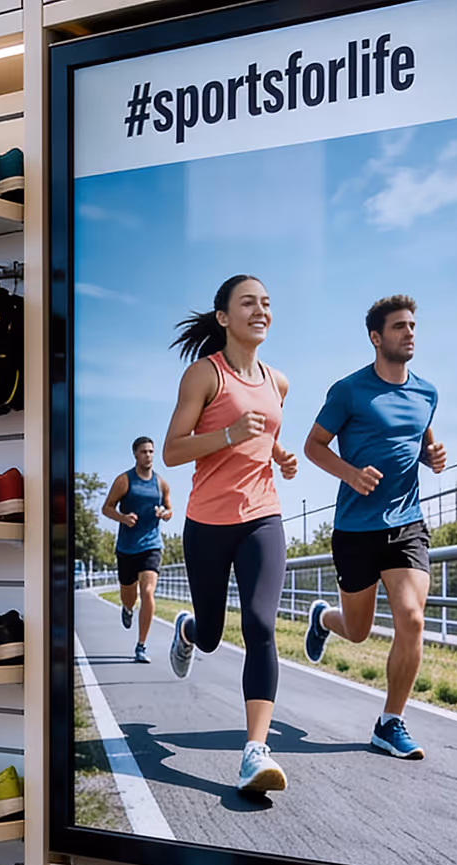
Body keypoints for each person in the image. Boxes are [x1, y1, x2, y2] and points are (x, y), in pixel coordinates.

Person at [159, 274, 300, 797]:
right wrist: (228, 435)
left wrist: (279, 456)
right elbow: (173, 450)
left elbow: (265, 435)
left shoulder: (278, 381)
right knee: (214, 634)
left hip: (262, 516)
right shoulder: (204, 375)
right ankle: (190, 630)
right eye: (248, 303)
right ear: (223, 317)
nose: (261, 310)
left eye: (266, 302)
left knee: (261, 625)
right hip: (208, 523)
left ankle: (254, 752)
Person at [301, 295, 448, 761]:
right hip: (355, 529)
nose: (410, 333)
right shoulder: (348, 391)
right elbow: (314, 445)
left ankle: (390, 722)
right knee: (358, 630)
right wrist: (350, 474)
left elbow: (420, 442)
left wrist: (432, 456)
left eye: (412, 326)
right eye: (399, 327)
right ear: (376, 337)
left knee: (412, 618)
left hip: (407, 524)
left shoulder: (427, 393)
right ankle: (324, 619)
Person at [102, 436, 173, 663]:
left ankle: (141, 645)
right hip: (126, 547)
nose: (148, 455)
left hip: (151, 545)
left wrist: (164, 513)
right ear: (135, 454)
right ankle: (127, 608)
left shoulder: (160, 483)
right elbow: (106, 508)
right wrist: (123, 518)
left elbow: (170, 509)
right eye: (144, 452)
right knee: (129, 596)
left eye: (151, 451)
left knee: (148, 592)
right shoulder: (124, 481)